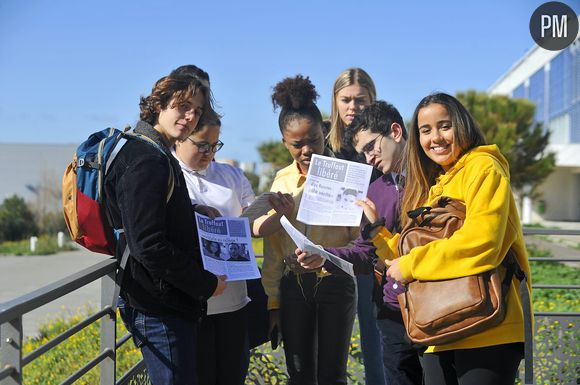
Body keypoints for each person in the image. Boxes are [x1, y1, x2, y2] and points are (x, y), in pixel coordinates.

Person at [358, 93, 532, 385]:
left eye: (444, 126)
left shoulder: (484, 167)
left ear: (462, 125)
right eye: (425, 131)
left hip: (489, 325)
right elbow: (416, 250)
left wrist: (411, 265)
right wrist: (378, 231)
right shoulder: (437, 182)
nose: (435, 138)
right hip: (442, 329)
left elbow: (482, 242)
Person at [104, 68, 227, 385]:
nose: (189, 117)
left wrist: (190, 210)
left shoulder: (151, 148)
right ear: (159, 103)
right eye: (182, 106)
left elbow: (149, 213)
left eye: (197, 111)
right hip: (157, 307)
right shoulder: (147, 157)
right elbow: (148, 244)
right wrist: (205, 284)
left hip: (158, 301)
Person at [296, 100, 423, 385]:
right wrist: (324, 255)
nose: (368, 159)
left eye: (370, 147)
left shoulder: (435, 178)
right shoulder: (375, 190)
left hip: (434, 308)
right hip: (391, 313)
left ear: (396, 132)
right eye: (362, 152)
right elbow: (365, 255)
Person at [253, 75, 358, 385]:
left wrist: (329, 255)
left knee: (333, 375)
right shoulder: (281, 182)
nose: (307, 150)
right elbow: (273, 249)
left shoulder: (344, 176)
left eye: (314, 139)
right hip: (293, 286)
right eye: (297, 144)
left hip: (336, 283)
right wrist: (273, 303)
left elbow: (358, 241)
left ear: (324, 131)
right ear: (284, 143)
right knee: (299, 374)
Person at [174, 113, 255, 385]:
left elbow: (253, 223)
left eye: (215, 145)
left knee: (233, 375)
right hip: (192, 301)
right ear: (180, 138)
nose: (209, 152)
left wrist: (274, 212)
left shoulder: (231, 175)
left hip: (233, 299)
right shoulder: (167, 173)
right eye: (202, 145)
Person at [328, 67, 386, 385]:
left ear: (372, 101)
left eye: (360, 100)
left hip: (370, 252)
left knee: (375, 337)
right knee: (330, 343)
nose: (353, 107)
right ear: (335, 102)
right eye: (346, 100)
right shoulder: (323, 143)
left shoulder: (381, 143)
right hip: (331, 249)